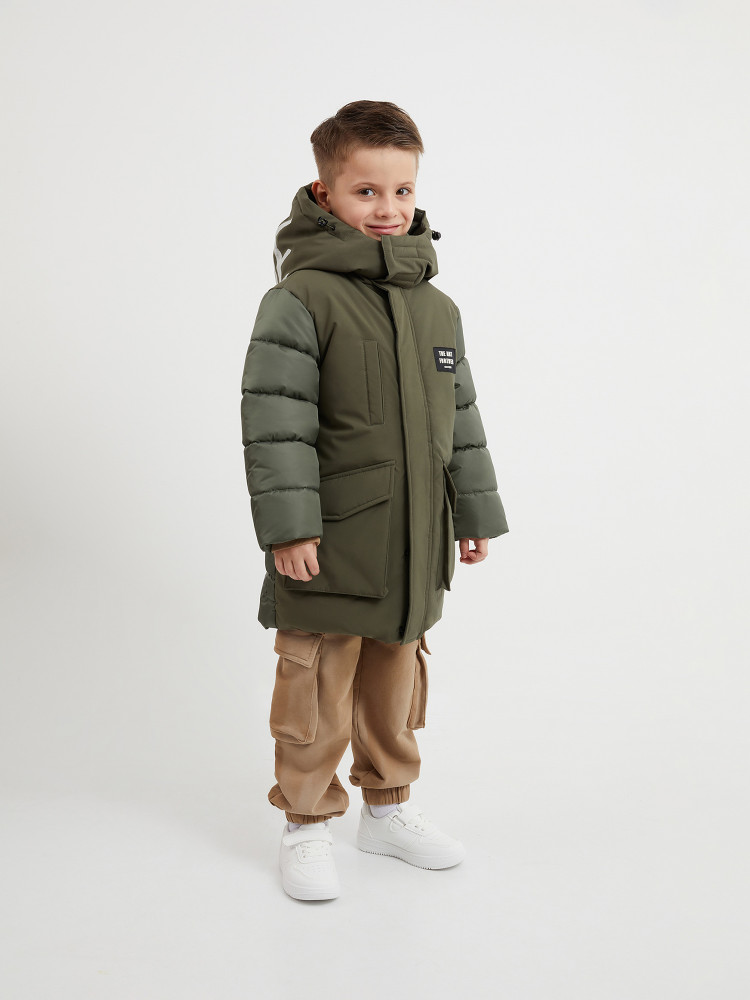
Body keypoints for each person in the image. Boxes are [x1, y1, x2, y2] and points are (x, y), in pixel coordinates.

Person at [240, 100, 509, 901]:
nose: (389, 209)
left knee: (396, 680)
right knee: (317, 685)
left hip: (412, 538)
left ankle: (387, 809)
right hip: (330, 538)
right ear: (325, 194)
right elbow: (275, 422)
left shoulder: (437, 308)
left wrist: (473, 512)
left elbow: (462, 416)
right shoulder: (300, 300)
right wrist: (288, 528)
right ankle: (306, 822)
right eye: (367, 192)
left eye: (402, 190)